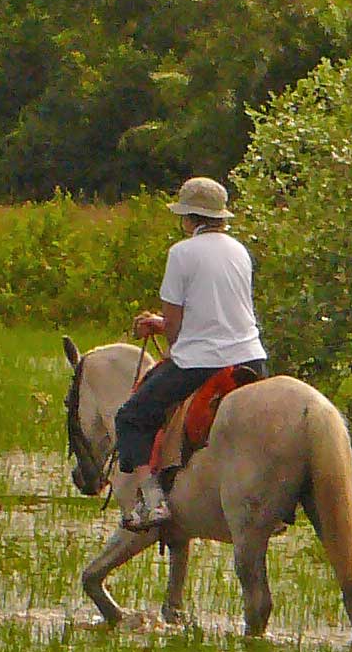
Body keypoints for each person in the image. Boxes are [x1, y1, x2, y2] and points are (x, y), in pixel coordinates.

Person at [113, 177, 267, 527]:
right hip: (251, 357)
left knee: (132, 416)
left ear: (189, 219)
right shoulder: (239, 250)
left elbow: (176, 323)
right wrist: (162, 322)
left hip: (202, 362)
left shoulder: (181, 253)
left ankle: (152, 501)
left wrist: (162, 329)